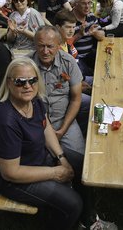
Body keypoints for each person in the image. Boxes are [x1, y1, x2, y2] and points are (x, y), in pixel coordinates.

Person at [0, 58, 114, 230]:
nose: (27, 86)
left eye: (32, 80)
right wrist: (55, 172)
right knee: (73, 203)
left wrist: (62, 158)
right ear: (9, 83)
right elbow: (11, 173)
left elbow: (45, 128)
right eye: (20, 82)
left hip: (37, 157)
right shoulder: (4, 120)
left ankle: (88, 221)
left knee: (83, 166)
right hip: (15, 179)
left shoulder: (34, 100)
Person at [30, 26, 85, 155]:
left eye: (50, 46)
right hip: (35, 124)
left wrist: (62, 130)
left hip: (63, 121)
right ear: (35, 45)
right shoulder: (26, 65)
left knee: (79, 158)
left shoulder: (68, 62)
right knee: (38, 158)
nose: (45, 51)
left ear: (59, 45)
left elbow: (76, 99)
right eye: (41, 46)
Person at [70, 0, 104, 77]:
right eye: (83, 3)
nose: (87, 7)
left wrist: (93, 33)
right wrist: (80, 35)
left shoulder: (91, 16)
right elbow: (63, 44)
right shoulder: (68, 19)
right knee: (86, 76)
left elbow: (102, 35)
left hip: (90, 54)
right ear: (76, 4)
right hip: (76, 57)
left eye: (89, 3)